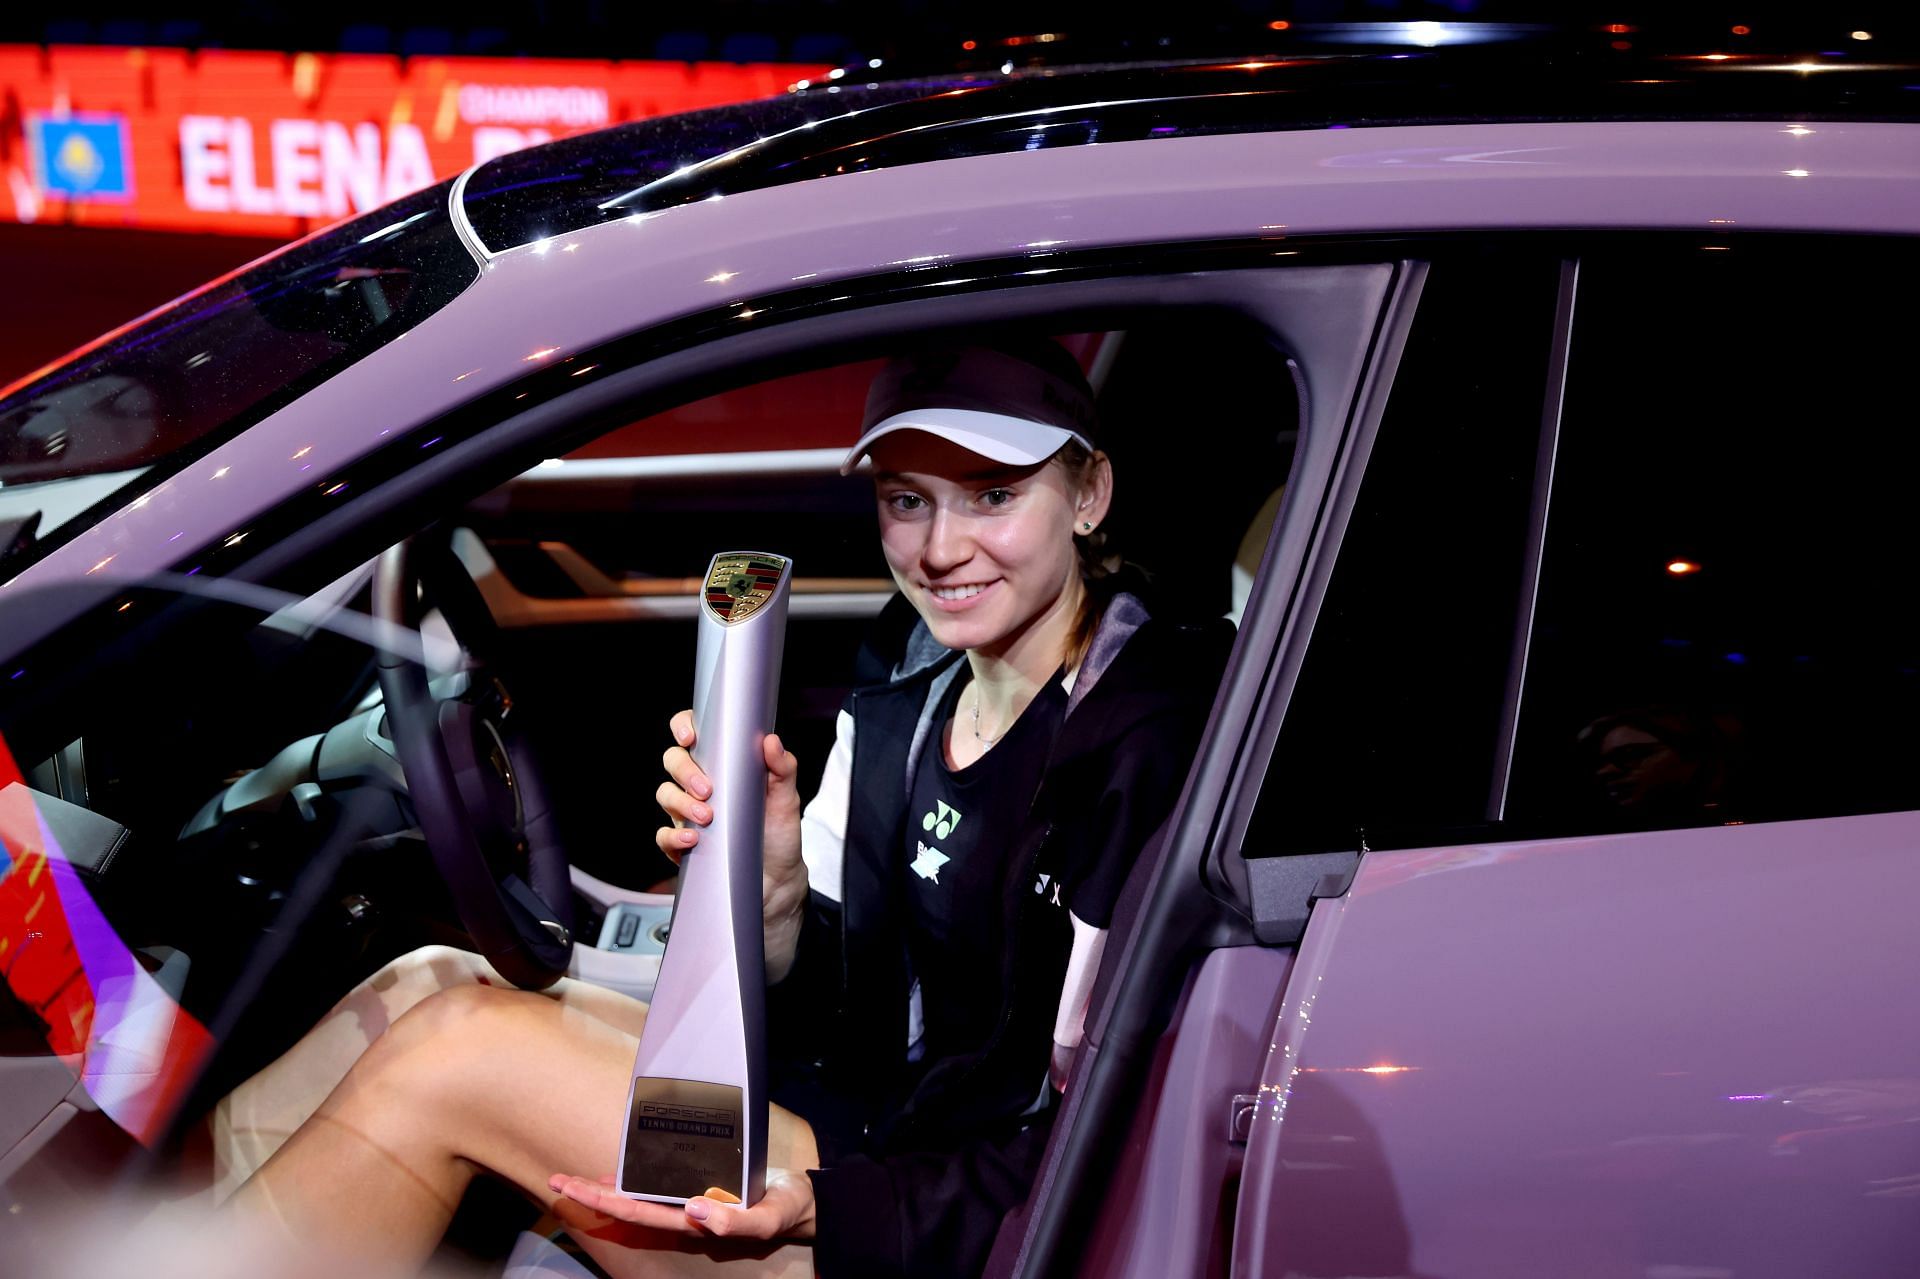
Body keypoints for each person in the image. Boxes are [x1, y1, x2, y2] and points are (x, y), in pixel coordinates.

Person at [212, 337, 1231, 1279]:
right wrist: (779, 887)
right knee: (423, 983)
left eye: (992, 494)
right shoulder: (916, 673)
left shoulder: (1143, 742)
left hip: (942, 1218)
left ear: (1089, 492)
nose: (941, 549)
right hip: (865, 1115)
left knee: (455, 1052)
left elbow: (1101, 1130)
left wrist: (825, 1209)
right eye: (907, 501)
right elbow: (863, 996)